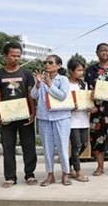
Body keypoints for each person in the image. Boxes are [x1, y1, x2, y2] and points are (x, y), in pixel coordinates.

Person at [0, 42, 38, 188]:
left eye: (18, 56)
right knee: (8, 147)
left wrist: (33, 112)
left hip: (25, 115)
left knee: (29, 146)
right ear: (5, 55)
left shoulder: (26, 73)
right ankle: (10, 177)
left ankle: (30, 174)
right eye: (13, 55)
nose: (16, 58)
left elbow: (31, 94)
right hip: (7, 116)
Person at [31, 55, 72, 186]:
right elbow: (33, 95)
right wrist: (37, 84)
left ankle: (65, 173)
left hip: (61, 117)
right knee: (47, 148)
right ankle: (50, 175)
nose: (47, 65)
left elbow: (62, 96)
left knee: (62, 146)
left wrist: (50, 85)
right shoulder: (41, 79)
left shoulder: (63, 79)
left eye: (50, 62)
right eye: (45, 63)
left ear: (59, 66)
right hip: (44, 117)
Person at [84, 43, 108, 176]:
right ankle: (100, 167)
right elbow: (86, 90)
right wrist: (92, 96)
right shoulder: (91, 70)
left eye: (107, 51)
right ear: (97, 53)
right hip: (97, 111)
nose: (105, 53)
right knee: (97, 139)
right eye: (102, 51)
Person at [67, 58, 96, 183]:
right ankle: (77, 172)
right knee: (76, 145)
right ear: (71, 71)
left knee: (84, 144)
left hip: (83, 118)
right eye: (78, 70)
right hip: (71, 120)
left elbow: (87, 100)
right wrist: (69, 106)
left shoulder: (83, 84)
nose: (81, 72)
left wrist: (91, 106)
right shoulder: (65, 84)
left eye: (82, 70)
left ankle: (68, 163)